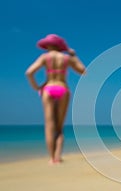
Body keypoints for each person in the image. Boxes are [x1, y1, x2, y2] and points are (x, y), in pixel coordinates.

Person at [26, 34, 86, 165]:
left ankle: (52, 158)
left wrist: (37, 87)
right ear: (60, 46)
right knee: (59, 127)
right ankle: (58, 157)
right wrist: (74, 55)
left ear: (48, 45)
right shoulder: (66, 58)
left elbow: (29, 73)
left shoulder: (45, 57)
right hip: (63, 89)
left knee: (49, 125)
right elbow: (83, 71)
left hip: (48, 89)